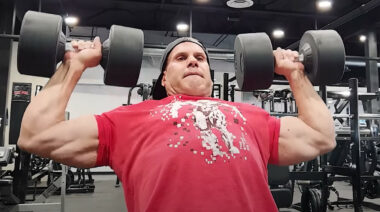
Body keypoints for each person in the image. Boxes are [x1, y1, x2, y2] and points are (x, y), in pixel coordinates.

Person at [18, 36, 336, 212]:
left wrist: (296, 74)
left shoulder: (250, 115)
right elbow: (37, 135)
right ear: (164, 77)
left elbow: (321, 138)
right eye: (180, 58)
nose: (193, 60)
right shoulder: (127, 118)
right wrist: (72, 66)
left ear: (211, 75)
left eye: (200, 57)